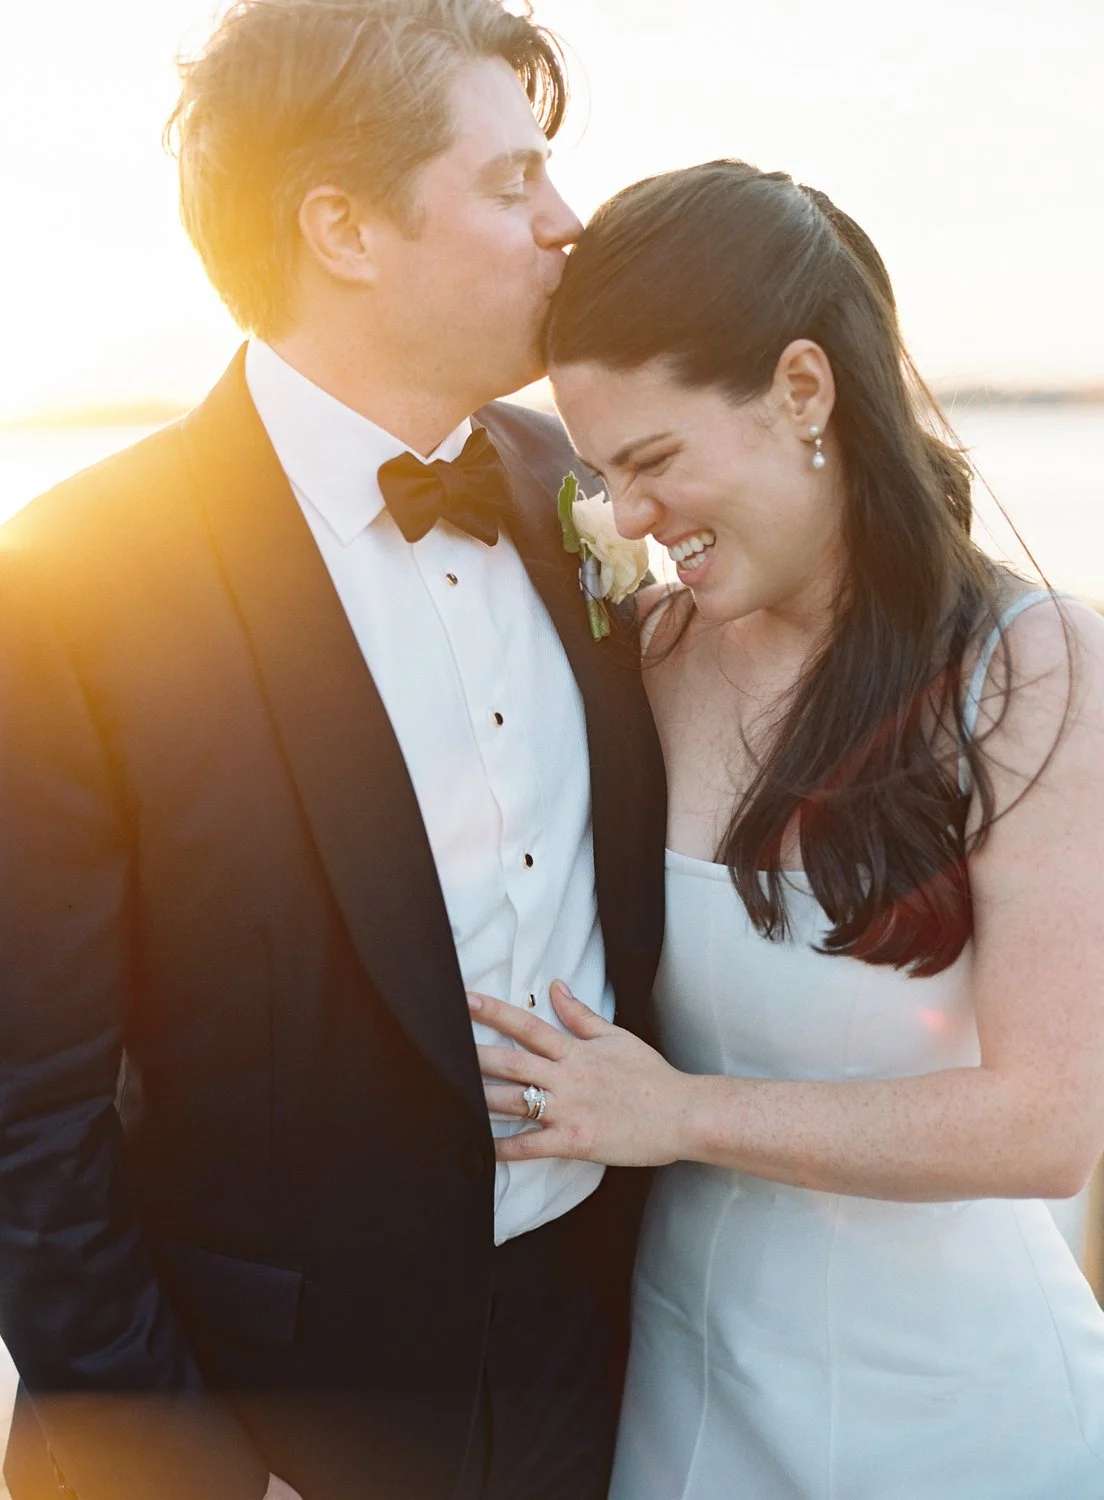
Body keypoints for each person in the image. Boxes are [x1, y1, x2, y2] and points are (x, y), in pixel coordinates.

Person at [0, 4, 666, 1498]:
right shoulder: (69, 580)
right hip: (267, 1410)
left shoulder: (579, 493)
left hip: (595, 1374)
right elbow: (26, 1125)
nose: (570, 227)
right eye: (514, 186)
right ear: (343, 228)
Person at [470, 159, 1104, 1498]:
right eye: (600, 475)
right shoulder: (646, 656)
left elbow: (1048, 1126)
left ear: (804, 391)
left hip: (956, 1422)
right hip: (673, 1404)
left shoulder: (1032, 668)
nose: (629, 521)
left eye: (652, 461)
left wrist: (681, 1113)